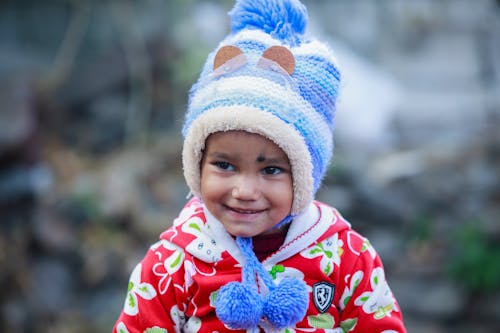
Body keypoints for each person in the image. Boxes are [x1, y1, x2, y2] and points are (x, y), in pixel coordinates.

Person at [113, 0, 407, 332]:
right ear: (197, 164)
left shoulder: (345, 258)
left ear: (303, 175)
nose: (245, 191)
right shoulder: (172, 265)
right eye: (224, 165)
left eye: (271, 170)